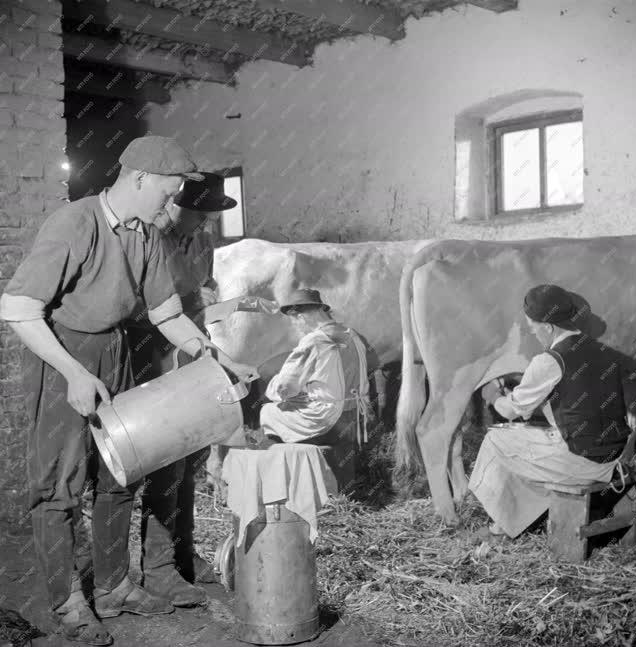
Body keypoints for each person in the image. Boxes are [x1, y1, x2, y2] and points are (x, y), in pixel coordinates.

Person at [0, 137, 256, 646]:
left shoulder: (146, 235)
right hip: (64, 353)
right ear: (139, 178)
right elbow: (17, 308)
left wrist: (212, 355)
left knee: (122, 470)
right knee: (59, 485)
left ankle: (115, 587)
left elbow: (165, 313)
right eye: (169, 189)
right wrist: (73, 372)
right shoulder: (76, 222)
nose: (172, 201)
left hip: (114, 352)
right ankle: (67, 600)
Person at [128, 172, 275, 607]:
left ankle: (181, 555)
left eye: (211, 217)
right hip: (152, 357)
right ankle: (156, 569)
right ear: (177, 204)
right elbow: (144, 309)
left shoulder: (201, 243)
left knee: (189, 458)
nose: (206, 225)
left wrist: (237, 305)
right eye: (200, 215)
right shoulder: (151, 240)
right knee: (164, 464)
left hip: (191, 354)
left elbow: (197, 305)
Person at [469, 284, 636, 539]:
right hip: (616, 455)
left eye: (533, 326)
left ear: (548, 326)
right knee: (530, 439)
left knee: (496, 439)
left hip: (585, 463)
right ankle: (521, 517)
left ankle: (501, 527)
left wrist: (492, 395)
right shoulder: (604, 351)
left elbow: (510, 411)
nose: (532, 331)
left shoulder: (548, 361)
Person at [260, 288, 371, 447]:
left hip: (329, 419)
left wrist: (272, 385)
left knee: (269, 412)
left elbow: (286, 387)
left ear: (300, 316)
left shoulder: (314, 340)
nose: (296, 326)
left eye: (294, 321)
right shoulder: (352, 334)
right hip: (356, 415)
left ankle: (285, 461)